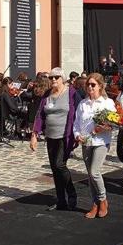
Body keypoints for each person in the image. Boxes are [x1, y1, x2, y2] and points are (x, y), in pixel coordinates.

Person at [31, 67, 82, 211]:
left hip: (65, 136)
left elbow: (80, 113)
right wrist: (35, 135)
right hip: (50, 136)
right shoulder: (47, 95)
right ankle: (61, 201)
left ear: (63, 79)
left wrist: (79, 133)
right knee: (55, 168)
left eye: (57, 77)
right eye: (51, 77)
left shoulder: (72, 94)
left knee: (60, 165)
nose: (53, 80)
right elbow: (40, 114)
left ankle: (71, 194)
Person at [73, 73, 116, 218]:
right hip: (86, 142)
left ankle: (103, 200)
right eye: (88, 85)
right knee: (90, 176)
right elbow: (76, 123)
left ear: (100, 86)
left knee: (94, 172)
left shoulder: (107, 103)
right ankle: (95, 203)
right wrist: (77, 134)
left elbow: (114, 124)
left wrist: (103, 127)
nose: (90, 87)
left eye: (93, 85)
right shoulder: (82, 104)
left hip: (101, 142)